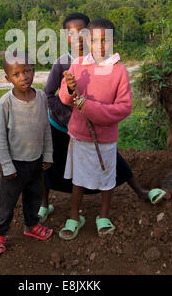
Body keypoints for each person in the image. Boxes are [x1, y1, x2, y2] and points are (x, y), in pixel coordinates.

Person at [39, 13, 165, 226]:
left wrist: (90, 110)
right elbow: (50, 95)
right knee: (50, 164)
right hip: (62, 125)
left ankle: (139, 191)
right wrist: (69, 116)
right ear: (65, 37)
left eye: (82, 32)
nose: (78, 38)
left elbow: (119, 103)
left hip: (97, 127)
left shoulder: (102, 62)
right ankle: (44, 203)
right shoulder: (64, 63)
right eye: (72, 33)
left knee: (111, 161)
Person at [0, 51, 54, 256]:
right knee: (7, 201)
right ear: (8, 78)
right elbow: (0, 137)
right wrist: (7, 165)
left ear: (34, 70)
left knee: (34, 196)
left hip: (36, 161)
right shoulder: (6, 103)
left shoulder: (41, 97)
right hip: (15, 164)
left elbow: (46, 128)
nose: (24, 77)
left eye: (27, 71)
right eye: (17, 74)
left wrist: (48, 154)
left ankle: (31, 226)